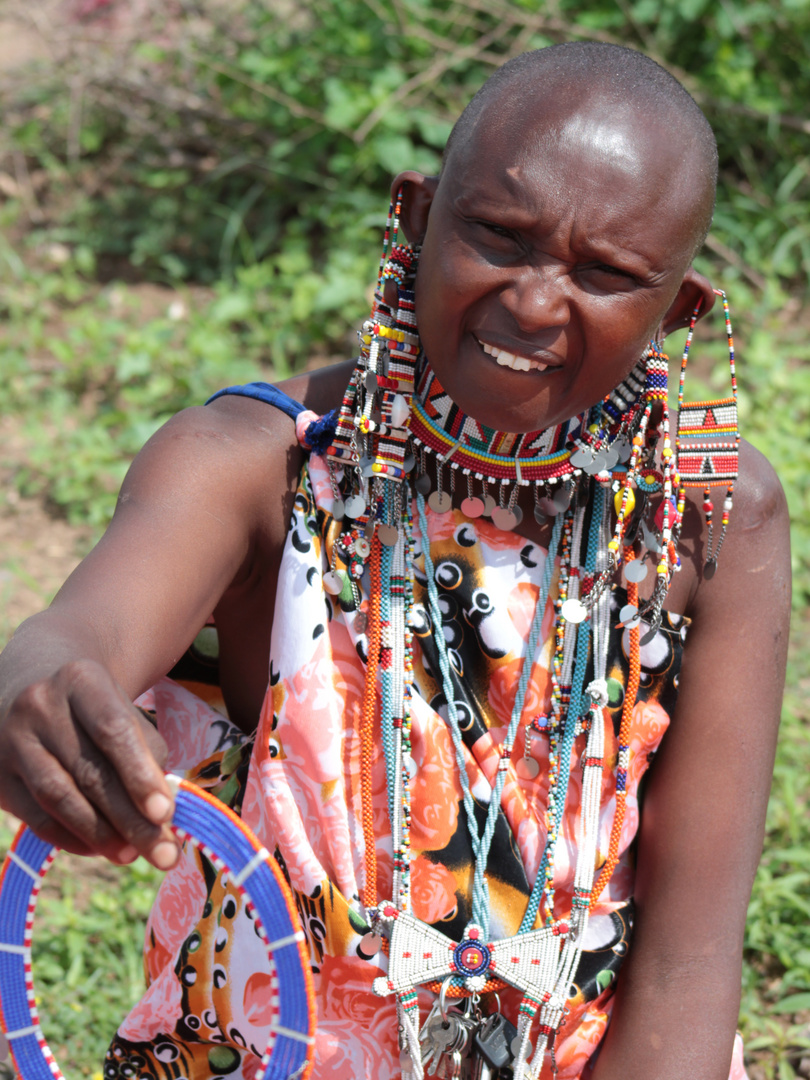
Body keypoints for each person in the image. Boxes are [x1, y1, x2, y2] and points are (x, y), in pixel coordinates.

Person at [0, 40, 790, 1080]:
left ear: (677, 310)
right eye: (500, 237)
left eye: (607, 274)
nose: (538, 302)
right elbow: (77, 635)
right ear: (416, 219)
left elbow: (689, 961)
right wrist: (34, 690)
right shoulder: (263, 469)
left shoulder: (709, 517)